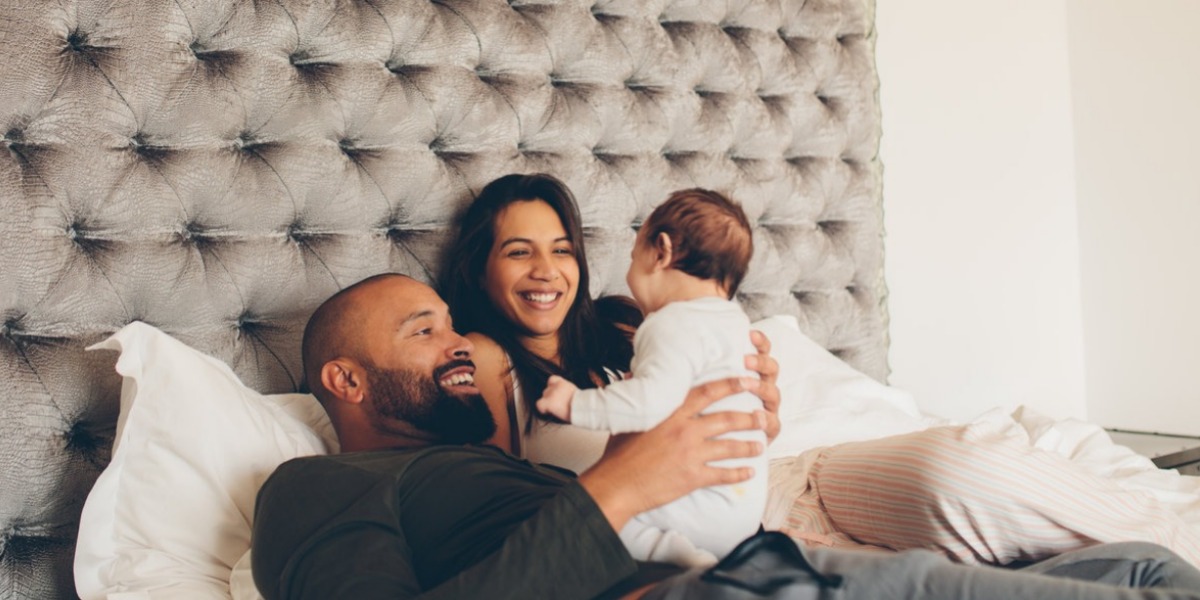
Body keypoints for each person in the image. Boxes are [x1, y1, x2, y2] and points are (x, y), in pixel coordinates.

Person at [250, 273, 1200, 599]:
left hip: (752, 557)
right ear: (344, 378)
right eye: (425, 331)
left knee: (1144, 569)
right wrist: (621, 488)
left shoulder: (489, 468)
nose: (459, 341)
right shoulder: (310, 489)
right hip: (723, 590)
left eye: (455, 326)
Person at [440, 172, 1200, 568]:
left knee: (958, 474)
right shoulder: (490, 361)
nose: (547, 271)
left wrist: (762, 405)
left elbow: (744, 415)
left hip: (788, 478)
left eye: (561, 248)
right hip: (726, 542)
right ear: (480, 265)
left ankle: (1179, 533)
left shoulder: (626, 326)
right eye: (519, 251)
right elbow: (502, 497)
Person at [535, 188, 766, 567]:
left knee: (605, 526)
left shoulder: (671, 322)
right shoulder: (736, 326)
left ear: (661, 252)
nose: (629, 274)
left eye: (632, 257)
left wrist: (575, 403)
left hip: (699, 504)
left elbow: (646, 406)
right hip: (742, 507)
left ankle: (685, 562)